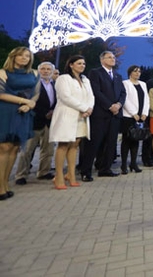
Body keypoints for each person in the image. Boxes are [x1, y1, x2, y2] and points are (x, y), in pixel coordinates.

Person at [49, 55, 94, 189]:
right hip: (67, 114)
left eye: (84, 63)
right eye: (79, 63)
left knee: (75, 144)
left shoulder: (85, 80)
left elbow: (91, 96)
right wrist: (84, 107)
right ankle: (58, 176)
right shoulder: (64, 78)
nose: (82, 65)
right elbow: (65, 97)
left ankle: (71, 174)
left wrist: (89, 109)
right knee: (63, 144)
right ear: (71, 65)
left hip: (82, 116)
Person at [0, 47, 39, 200]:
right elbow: (1, 93)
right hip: (6, 111)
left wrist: (30, 104)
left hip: (24, 112)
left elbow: (36, 93)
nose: (24, 58)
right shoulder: (3, 72)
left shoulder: (34, 73)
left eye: (27, 56)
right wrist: (24, 101)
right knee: (4, 147)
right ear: (13, 56)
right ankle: (0, 188)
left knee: (15, 148)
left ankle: (5, 183)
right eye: (21, 55)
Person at [81, 51, 125, 181]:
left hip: (115, 115)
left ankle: (105, 168)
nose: (113, 59)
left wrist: (118, 104)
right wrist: (109, 106)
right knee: (94, 144)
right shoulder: (95, 73)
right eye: (109, 57)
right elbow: (96, 92)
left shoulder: (117, 76)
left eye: (114, 57)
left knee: (111, 143)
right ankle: (86, 171)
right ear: (102, 60)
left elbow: (123, 93)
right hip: (101, 114)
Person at [15, 62, 57, 185]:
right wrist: (45, 113)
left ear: (52, 71)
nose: (45, 71)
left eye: (48, 69)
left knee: (48, 150)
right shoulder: (32, 85)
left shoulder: (55, 85)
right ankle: (21, 175)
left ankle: (43, 172)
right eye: (43, 69)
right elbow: (29, 101)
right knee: (27, 150)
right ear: (38, 71)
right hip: (34, 121)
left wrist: (53, 112)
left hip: (49, 123)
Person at [121, 65, 149, 174]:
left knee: (136, 140)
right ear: (130, 73)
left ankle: (133, 163)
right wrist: (133, 113)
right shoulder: (125, 83)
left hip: (141, 116)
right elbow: (125, 99)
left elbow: (146, 99)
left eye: (139, 71)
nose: (138, 73)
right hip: (128, 116)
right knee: (126, 140)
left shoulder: (143, 84)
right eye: (135, 71)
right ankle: (124, 164)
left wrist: (144, 113)